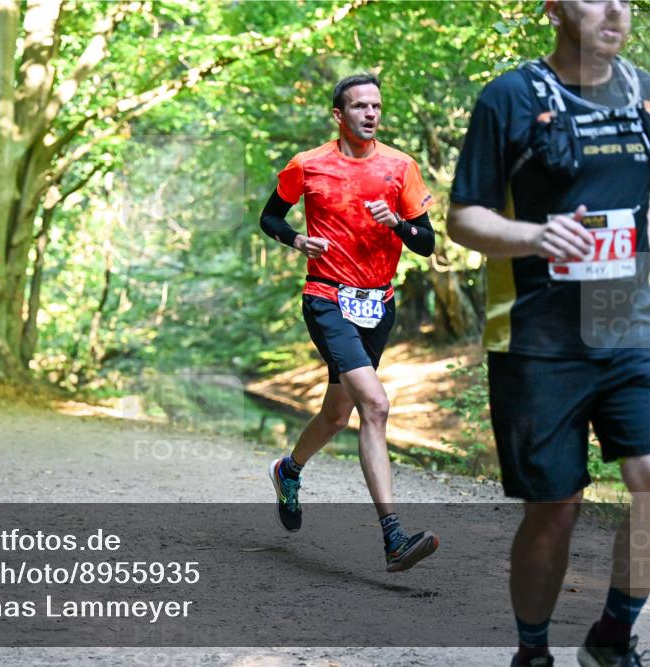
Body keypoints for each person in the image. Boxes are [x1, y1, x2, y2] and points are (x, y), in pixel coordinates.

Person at [447, 1, 650, 665]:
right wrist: (534, 235)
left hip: (630, 320)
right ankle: (532, 651)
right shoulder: (509, 97)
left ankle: (614, 633)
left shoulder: (646, 93)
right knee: (555, 506)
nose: (615, 8)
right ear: (554, 8)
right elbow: (463, 217)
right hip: (538, 337)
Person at [259, 73, 439, 573]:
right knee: (375, 405)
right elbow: (270, 217)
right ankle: (394, 537)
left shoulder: (401, 167)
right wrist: (297, 241)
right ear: (339, 115)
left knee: (338, 414)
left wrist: (397, 224)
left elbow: (427, 242)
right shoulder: (308, 165)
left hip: (377, 304)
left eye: (376, 106)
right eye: (359, 106)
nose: (370, 114)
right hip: (327, 299)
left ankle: (288, 469)